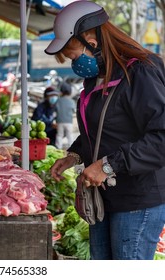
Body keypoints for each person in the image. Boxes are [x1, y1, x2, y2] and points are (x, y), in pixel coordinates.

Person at [47, 1, 165, 260]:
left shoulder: (141, 72)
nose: (72, 62)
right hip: (104, 197)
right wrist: (75, 155)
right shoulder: (97, 78)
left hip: (136, 200)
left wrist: (108, 166)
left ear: (92, 41)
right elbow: (104, 128)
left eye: (73, 54)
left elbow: (160, 138)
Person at [54, 81, 76, 149]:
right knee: (69, 135)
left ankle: (58, 148)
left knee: (59, 135)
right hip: (69, 122)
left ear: (61, 92)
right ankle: (72, 148)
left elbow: (55, 110)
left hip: (59, 121)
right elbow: (74, 110)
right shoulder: (71, 101)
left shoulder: (58, 100)